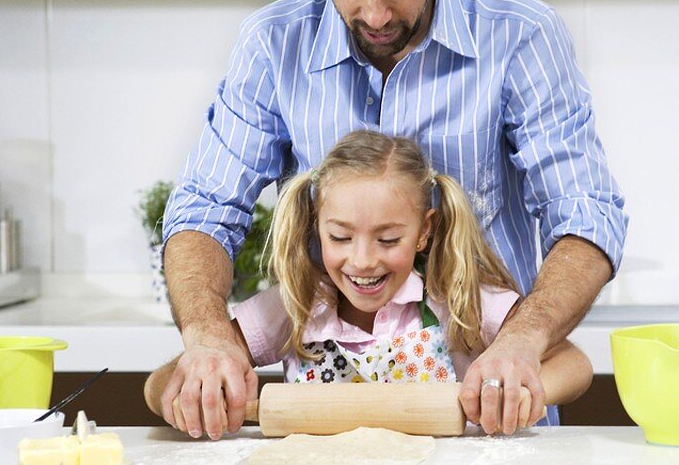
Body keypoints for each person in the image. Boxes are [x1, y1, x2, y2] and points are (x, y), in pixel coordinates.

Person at [157, 0, 626, 440]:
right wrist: (208, 337)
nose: (373, 13)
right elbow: (202, 211)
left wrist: (518, 345)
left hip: (495, 430)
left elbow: (588, 216)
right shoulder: (273, 43)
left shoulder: (520, 35)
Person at [145, 132, 592, 427]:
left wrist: (518, 393)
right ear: (316, 226)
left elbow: (575, 365)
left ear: (425, 232)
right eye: (340, 237)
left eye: (388, 239)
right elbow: (164, 381)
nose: (362, 261)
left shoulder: (455, 299)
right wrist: (193, 387)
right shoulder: (296, 306)